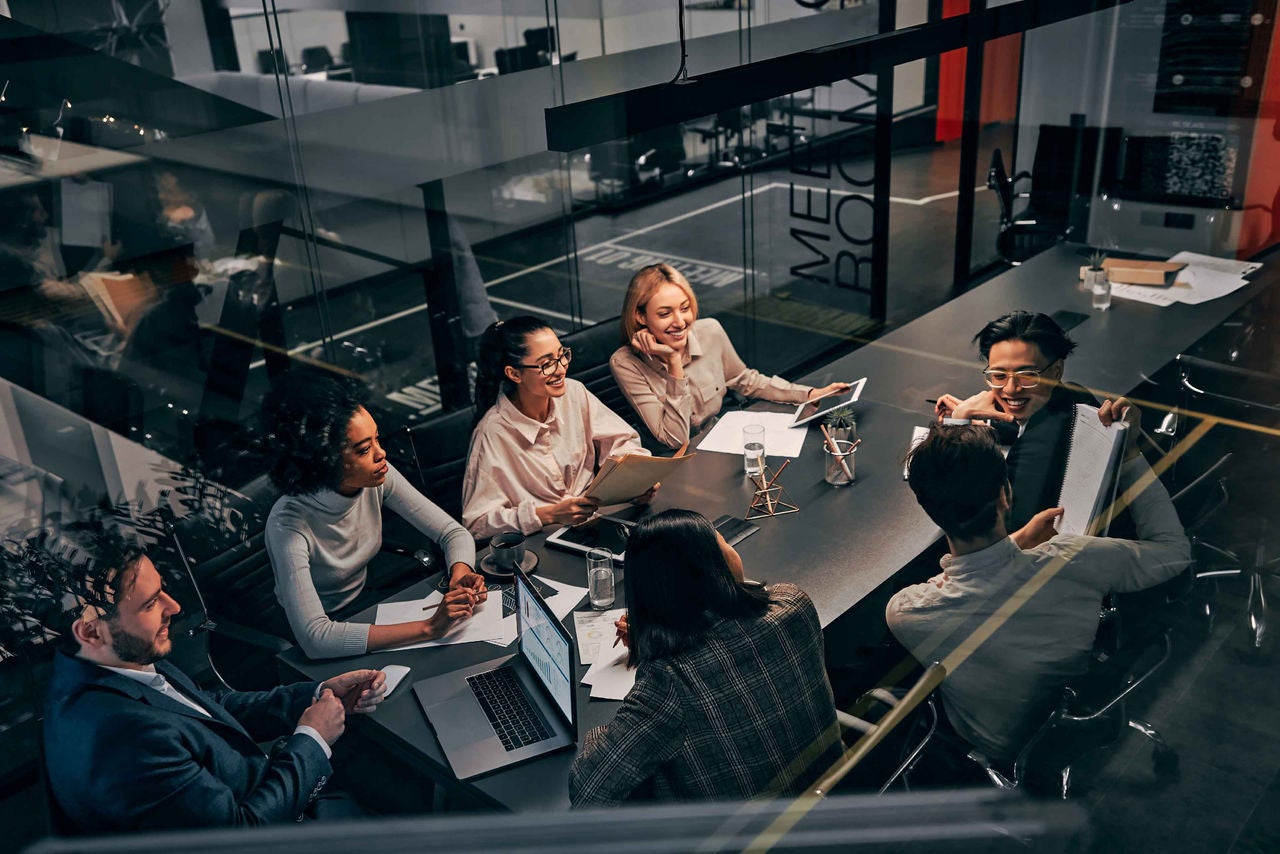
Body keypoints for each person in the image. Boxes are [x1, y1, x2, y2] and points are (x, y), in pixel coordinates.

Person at [886, 423, 1189, 762]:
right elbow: (1174, 553)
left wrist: (1017, 541)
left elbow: (973, 581)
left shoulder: (906, 612)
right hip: (1069, 716)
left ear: (929, 509)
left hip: (987, 741)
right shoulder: (1072, 557)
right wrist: (1131, 456)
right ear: (1005, 495)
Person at [43, 536, 386, 831]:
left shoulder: (116, 661)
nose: (173, 607)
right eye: (150, 604)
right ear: (90, 631)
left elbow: (206, 708)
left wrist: (314, 695)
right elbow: (242, 835)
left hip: (286, 799)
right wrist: (313, 739)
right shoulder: (124, 741)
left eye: (162, 591)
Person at [569, 509, 842, 806]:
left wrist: (601, 734)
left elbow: (589, 790)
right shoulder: (793, 603)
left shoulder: (667, 683)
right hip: (837, 797)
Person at [263, 374, 485, 659]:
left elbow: (452, 533)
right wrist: (430, 628)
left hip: (366, 603)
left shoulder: (377, 476)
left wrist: (460, 573)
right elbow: (316, 638)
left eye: (376, 439)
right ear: (325, 460)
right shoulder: (289, 524)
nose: (382, 454)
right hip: (315, 632)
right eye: (364, 450)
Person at [609, 264, 849, 449]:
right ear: (640, 316)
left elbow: (745, 380)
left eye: (685, 308)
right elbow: (675, 439)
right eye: (665, 314)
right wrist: (673, 362)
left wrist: (807, 394)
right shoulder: (625, 363)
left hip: (719, 444)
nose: (680, 322)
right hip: (674, 464)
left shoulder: (709, 331)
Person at [932, 311, 1131, 530]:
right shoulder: (1072, 395)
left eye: (1026, 375)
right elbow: (1026, 427)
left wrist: (960, 422)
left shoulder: (1039, 447)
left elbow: (968, 515)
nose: (1010, 389)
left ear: (1056, 371)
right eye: (998, 376)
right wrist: (985, 422)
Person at [462, 316, 653, 539]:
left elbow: (623, 441)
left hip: (598, 521)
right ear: (514, 374)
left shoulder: (574, 392)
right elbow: (476, 524)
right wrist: (548, 514)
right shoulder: (491, 433)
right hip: (541, 540)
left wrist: (635, 480)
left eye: (562, 355)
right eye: (546, 364)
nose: (561, 369)